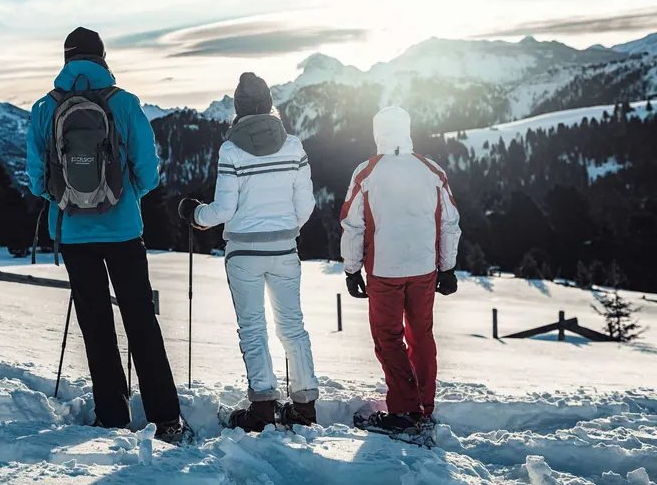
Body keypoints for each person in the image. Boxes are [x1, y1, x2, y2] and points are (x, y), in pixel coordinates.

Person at [26, 27, 184, 443]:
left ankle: (112, 414)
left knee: (95, 323)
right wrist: (123, 196)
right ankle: (166, 417)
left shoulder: (45, 108)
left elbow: (36, 179)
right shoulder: (126, 104)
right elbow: (149, 172)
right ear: (101, 58)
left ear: (66, 59)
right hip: (124, 230)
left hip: (74, 235)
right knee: (140, 319)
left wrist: (67, 201)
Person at [179, 73, 320, 432]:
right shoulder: (294, 146)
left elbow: (223, 210)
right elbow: (306, 205)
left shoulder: (231, 150)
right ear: (270, 104)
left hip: (243, 254)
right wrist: (286, 230)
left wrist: (195, 214)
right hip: (285, 249)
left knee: (253, 328)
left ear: (238, 108)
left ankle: (262, 408)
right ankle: (304, 407)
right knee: (293, 326)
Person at [340, 106, 460, 433]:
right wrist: (447, 268)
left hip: (384, 270)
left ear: (378, 132)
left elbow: (353, 225)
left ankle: (405, 409)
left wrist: (352, 270)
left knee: (388, 338)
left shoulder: (367, 172)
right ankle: (424, 405)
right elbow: (450, 223)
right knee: (421, 335)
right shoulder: (431, 170)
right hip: (424, 268)